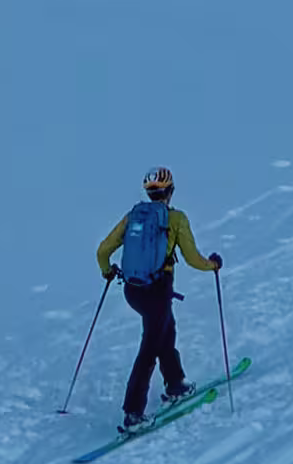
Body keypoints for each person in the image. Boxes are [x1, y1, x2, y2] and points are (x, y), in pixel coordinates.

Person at [92, 167, 224, 423]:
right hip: (157, 290)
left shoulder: (134, 215)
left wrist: (107, 271)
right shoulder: (176, 219)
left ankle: (175, 383)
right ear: (170, 191)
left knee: (165, 330)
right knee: (150, 347)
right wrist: (213, 265)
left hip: (133, 291)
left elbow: (102, 251)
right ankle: (133, 413)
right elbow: (193, 258)